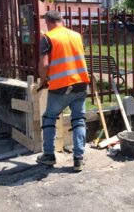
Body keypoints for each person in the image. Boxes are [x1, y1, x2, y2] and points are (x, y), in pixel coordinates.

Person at [36, 10, 90, 172]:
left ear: (48, 22)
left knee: (49, 118)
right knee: (79, 119)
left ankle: (48, 155)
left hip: (60, 87)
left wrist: (44, 80)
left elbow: (45, 65)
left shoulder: (48, 37)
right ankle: (78, 159)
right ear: (61, 20)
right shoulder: (76, 36)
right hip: (81, 83)